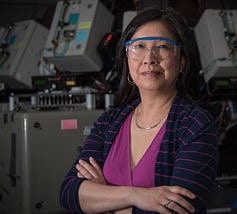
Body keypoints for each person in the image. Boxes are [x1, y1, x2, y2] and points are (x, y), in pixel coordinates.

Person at [60, 7, 219, 214]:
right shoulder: (109, 122)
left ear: (181, 62)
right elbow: (69, 192)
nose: (149, 58)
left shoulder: (195, 124)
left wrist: (105, 200)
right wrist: (136, 195)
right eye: (139, 46)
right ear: (127, 59)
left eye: (162, 46)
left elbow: (179, 209)